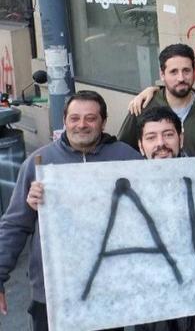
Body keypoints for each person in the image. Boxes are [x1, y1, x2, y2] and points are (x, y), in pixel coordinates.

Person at [0, 91, 142, 331]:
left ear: (103, 122)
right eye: (74, 118)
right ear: (64, 121)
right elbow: (14, 224)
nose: (82, 125)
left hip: (107, 290)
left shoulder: (127, 159)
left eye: (90, 118)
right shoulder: (39, 162)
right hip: (53, 291)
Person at [119, 43, 195, 156]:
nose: (181, 78)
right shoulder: (143, 106)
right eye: (173, 72)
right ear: (162, 74)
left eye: (186, 70)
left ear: (194, 72)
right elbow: (122, 150)